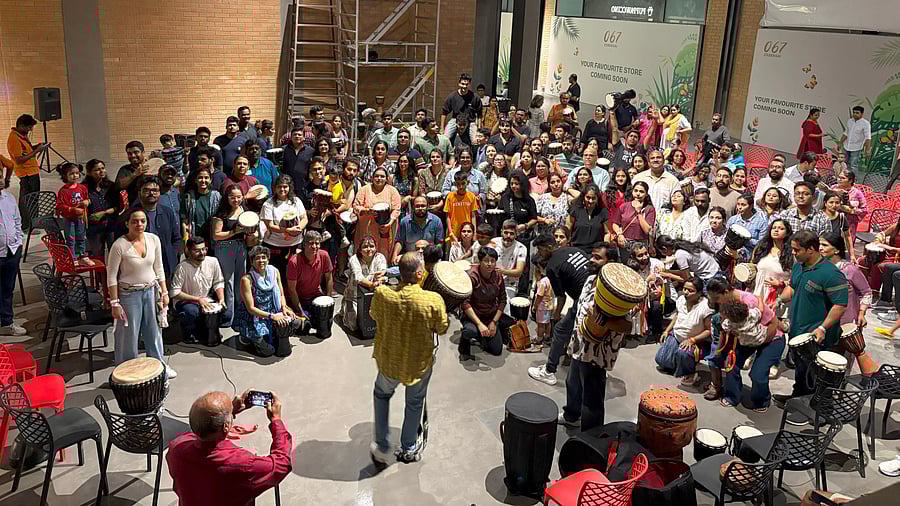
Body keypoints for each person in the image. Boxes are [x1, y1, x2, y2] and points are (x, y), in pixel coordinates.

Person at [370, 251, 448, 463]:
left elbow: (374, 316)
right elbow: (442, 328)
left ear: (400, 273)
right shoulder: (433, 300)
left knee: (381, 394)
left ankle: (383, 444)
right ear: (420, 273)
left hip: (389, 360)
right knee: (414, 403)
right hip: (418, 363)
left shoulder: (383, 295)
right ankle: (408, 446)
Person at [167, 390, 291, 505]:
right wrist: (276, 420)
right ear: (226, 427)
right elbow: (281, 463)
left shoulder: (176, 449)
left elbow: (199, 430)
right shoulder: (244, 465)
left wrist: (229, 413)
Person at [775, 230, 848, 421]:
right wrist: (780, 299)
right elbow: (793, 286)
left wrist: (823, 327)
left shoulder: (831, 274)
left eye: (797, 250)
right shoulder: (799, 266)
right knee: (801, 370)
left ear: (811, 249)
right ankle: (796, 399)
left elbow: (840, 305)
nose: (793, 253)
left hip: (818, 335)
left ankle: (816, 412)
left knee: (816, 376)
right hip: (798, 330)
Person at [558, 244, 620, 430]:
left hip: (597, 352)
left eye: (597, 258)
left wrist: (601, 321)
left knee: (592, 395)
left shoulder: (617, 290)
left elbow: (626, 324)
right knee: (572, 382)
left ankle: (592, 436)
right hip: (579, 345)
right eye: (592, 256)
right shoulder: (590, 279)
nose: (591, 260)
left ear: (611, 262)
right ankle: (571, 415)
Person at [106, 209, 173, 375]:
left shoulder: (153, 239)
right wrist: (114, 303)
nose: (139, 224)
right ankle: (125, 373)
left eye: (142, 221)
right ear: (127, 223)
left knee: (154, 333)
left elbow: (159, 268)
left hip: (151, 292)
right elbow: (111, 277)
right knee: (128, 337)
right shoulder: (119, 245)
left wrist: (164, 293)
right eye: (135, 221)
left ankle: (159, 368)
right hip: (129, 295)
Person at [527, 234, 593, 385]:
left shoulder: (552, 266)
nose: (540, 253)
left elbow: (561, 297)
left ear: (548, 248)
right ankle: (593, 367)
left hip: (584, 299)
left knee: (560, 330)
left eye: (540, 250)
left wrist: (555, 317)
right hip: (597, 293)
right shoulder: (575, 250)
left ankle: (549, 371)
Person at [820, 232, 876, 376]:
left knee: (841, 363)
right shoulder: (818, 268)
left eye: (824, 245)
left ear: (837, 249)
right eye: (819, 244)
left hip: (846, 324)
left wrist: (862, 313)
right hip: (824, 322)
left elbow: (866, 292)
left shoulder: (850, 270)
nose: (820, 248)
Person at [715, 295, 781, 411]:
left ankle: (761, 401)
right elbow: (760, 309)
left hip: (771, 339)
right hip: (759, 337)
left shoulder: (729, 324)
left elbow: (723, 327)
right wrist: (760, 299)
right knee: (731, 364)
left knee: (757, 374)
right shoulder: (752, 315)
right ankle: (732, 395)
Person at [233, 246, 299, 357]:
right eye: (257, 258)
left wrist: (284, 307)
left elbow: (281, 294)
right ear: (252, 261)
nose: (261, 261)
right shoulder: (247, 280)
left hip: (273, 310)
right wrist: (272, 316)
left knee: (295, 322)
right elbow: (251, 309)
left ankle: (271, 333)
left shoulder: (274, 272)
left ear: (268, 259)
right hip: (254, 317)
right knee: (268, 352)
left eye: (264, 257)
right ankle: (247, 337)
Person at [655, 276, 713, 386]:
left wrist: (692, 340)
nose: (686, 292)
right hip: (677, 336)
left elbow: (708, 330)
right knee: (661, 359)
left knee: (683, 353)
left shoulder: (705, 307)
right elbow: (677, 316)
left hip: (696, 341)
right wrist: (667, 331)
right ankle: (683, 361)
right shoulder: (681, 299)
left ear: (699, 293)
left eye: (690, 290)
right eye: (685, 289)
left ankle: (690, 372)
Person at [121, 176, 181, 281]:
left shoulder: (167, 212)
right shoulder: (130, 215)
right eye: (147, 190)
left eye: (155, 190)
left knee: (165, 295)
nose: (151, 193)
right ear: (139, 193)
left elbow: (176, 238)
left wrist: (172, 255)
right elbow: (122, 240)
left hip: (165, 264)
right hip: (140, 267)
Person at [211, 184, 254, 327]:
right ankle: (228, 314)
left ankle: (240, 314)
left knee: (241, 280)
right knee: (227, 281)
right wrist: (233, 232)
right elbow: (216, 235)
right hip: (225, 248)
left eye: (238, 197)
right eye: (232, 197)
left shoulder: (245, 210)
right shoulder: (222, 213)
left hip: (241, 247)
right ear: (227, 198)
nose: (236, 200)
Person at [458, 247, 513, 358]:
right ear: (480, 261)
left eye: (492, 261)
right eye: (486, 261)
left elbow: (503, 300)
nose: (489, 264)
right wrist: (479, 324)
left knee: (497, 350)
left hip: (490, 316)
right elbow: (465, 303)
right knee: (470, 331)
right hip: (473, 317)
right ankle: (464, 344)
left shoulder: (498, 277)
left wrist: (493, 322)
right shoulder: (472, 277)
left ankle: (482, 335)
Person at [172, 237, 226, 344]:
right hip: (186, 301)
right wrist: (197, 299)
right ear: (188, 251)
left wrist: (221, 299)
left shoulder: (213, 261)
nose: (202, 253)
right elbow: (174, 292)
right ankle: (188, 333)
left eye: (204, 249)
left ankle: (204, 329)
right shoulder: (182, 267)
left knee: (226, 313)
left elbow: (218, 282)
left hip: (205, 298)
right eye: (197, 250)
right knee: (192, 312)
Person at [7, 114, 48, 230]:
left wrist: (37, 147)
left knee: (34, 198)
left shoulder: (22, 136)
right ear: (21, 125)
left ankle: (33, 223)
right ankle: (26, 225)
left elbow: (26, 152)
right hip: (26, 174)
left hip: (32, 171)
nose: (30, 130)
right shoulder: (14, 139)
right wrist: (37, 152)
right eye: (29, 127)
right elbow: (19, 160)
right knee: (27, 200)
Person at [261, 174, 308, 274]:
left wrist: (298, 228)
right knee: (276, 274)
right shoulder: (268, 204)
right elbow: (270, 226)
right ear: (275, 188)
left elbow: (304, 218)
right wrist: (287, 230)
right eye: (279, 186)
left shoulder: (296, 201)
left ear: (289, 187)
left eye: (285, 186)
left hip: (295, 244)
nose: (282, 189)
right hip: (274, 245)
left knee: (293, 273)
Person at [287, 230, 336, 315]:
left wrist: (328, 300)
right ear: (304, 244)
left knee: (327, 319)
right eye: (311, 243)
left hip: (316, 295)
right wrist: (300, 310)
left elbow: (329, 278)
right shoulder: (294, 262)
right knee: (305, 324)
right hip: (300, 298)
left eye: (317, 243)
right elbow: (292, 289)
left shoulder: (324, 255)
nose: (314, 246)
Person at [55, 162, 93, 266]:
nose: (75, 175)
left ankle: (83, 255)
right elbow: (60, 205)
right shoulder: (63, 191)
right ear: (65, 176)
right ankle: (72, 257)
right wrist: (72, 209)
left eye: (77, 173)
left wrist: (87, 202)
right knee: (71, 239)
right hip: (69, 219)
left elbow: (87, 198)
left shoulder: (82, 188)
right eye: (72, 173)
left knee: (81, 237)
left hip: (81, 218)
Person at [0, 175, 24, 336]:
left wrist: (19, 240)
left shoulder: (8, 198)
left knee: (7, 289)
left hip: (12, 250)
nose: (1, 180)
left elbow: (17, 220)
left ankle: (6, 323)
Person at [609, 181, 655, 258]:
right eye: (636, 190)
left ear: (646, 194)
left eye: (641, 191)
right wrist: (619, 234)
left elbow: (647, 230)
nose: (638, 193)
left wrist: (638, 212)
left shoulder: (649, 209)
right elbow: (615, 223)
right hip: (625, 242)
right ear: (632, 192)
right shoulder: (624, 206)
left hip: (641, 244)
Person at [83, 159, 118, 258]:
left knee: (115, 255)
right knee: (98, 257)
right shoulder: (83, 188)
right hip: (93, 228)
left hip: (111, 225)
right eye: (97, 170)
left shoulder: (111, 186)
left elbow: (118, 206)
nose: (101, 171)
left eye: (103, 168)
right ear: (89, 173)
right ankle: (100, 274)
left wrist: (104, 213)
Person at [393, 196, 444, 262]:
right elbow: (400, 241)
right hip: (411, 259)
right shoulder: (404, 222)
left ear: (427, 206)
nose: (420, 208)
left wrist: (434, 253)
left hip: (429, 258)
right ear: (413, 206)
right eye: (417, 206)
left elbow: (440, 242)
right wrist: (394, 256)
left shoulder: (436, 221)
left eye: (423, 206)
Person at [182, 167, 222, 247]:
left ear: (210, 180)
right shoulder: (189, 197)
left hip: (212, 239)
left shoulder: (217, 197)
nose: (203, 181)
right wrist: (185, 241)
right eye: (200, 178)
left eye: (206, 178)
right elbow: (184, 221)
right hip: (195, 238)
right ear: (195, 180)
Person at [491, 219, 528, 302]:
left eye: (511, 233)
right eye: (506, 232)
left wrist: (502, 271)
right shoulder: (493, 243)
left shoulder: (521, 248)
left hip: (509, 284)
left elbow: (519, 271)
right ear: (501, 232)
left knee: (505, 306)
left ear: (516, 234)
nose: (508, 236)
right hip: (491, 281)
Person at [566, 184, 609, 255]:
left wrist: (605, 248)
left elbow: (607, 233)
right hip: (576, 251)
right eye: (588, 197)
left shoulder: (603, 212)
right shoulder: (575, 210)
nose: (590, 201)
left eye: (593, 198)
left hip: (595, 252)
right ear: (583, 197)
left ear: (597, 198)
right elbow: (568, 229)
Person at [830, 169, 867, 246]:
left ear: (850, 181)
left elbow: (865, 210)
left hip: (849, 224)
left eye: (843, 178)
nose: (839, 180)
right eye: (839, 177)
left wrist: (852, 210)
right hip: (832, 221)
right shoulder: (833, 187)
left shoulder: (857, 193)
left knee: (845, 247)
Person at [726, 193, 769, 259]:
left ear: (751, 206)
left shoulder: (761, 223)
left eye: (743, 205)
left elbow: (762, 243)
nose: (739, 207)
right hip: (729, 253)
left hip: (750, 257)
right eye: (738, 204)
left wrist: (744, 240)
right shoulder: (733, 219)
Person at [441, 73, 481, 138]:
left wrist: (479, 128)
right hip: (455, 120)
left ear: (470, 84)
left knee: (475, 140)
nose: (464, 86)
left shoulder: (475, 97)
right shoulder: (452, 96)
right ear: (459, 83)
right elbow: (444, 112)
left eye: (466, 84)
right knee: (445, 137)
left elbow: (479, 114)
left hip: (470, 121)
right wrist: (442, 128)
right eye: (462, 84)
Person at [444, 171, 480, 241]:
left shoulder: (471, 196)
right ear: (455, 184)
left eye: (463, 183)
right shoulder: (450, 196)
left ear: (468, 182)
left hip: (467, 231)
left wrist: (474, 232)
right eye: (458, 184)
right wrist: (451, 232)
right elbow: (448, 216)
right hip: (453, 232)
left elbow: (473, 216)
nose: (461, 187)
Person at [282, 127, 316, 194]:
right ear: (291, 137)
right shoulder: (284, 150)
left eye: (299, 135)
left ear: (304, 138)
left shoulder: (310, 151)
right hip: (287, 186)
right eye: (295, 134)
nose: (297, 136)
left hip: (304, 187)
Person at [536, 172, 569, 237]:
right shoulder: (542, 198)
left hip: (560, 236)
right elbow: (534, 216)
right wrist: (544, 220)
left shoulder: (567, 198)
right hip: (544, 235)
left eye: (558, 181)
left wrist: (568, 189)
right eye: (552, 182)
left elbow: (578, 196)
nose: (556, 184)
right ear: (549, 184)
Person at [839, 106, 872, 171]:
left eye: (857, 113)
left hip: (856, 148)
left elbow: (868, 137)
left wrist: (868, 150)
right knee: (842, 163)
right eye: (854, 112)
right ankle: (841, 178)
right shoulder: (850, 121)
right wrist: (840, 143)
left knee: (853, 165)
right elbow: (846, 133)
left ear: (862, 114)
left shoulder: (866, 124)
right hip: (846, 146)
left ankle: (854, 180)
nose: (855, 114)